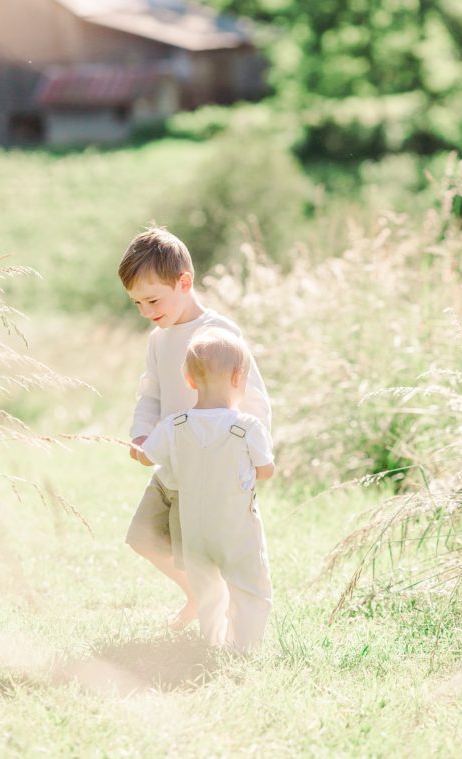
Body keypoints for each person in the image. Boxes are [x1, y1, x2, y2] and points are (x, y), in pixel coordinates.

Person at [119, 226, 271, 630]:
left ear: (184, 282)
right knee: (143, 537)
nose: (146, 311)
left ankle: (217, 611)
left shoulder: (217, 334)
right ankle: (197, 596)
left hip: (212, 470)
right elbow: (150, 392)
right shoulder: (158, 339)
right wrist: (141, 434)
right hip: (171, 465)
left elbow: (252, 398)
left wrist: (255, 458)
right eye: (136, 303)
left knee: (203, 552)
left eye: (153, 299)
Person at [138, 329, 275, 651]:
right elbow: (266, 471)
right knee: (249, 586)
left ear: (188, 379)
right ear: (239, 376)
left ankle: (213, 642)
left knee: (208, 591)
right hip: (236, 527)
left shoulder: (175, 425)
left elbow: (147, 458)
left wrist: (138, 447)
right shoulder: (247, 427)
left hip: (195, 528)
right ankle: (244, 646)